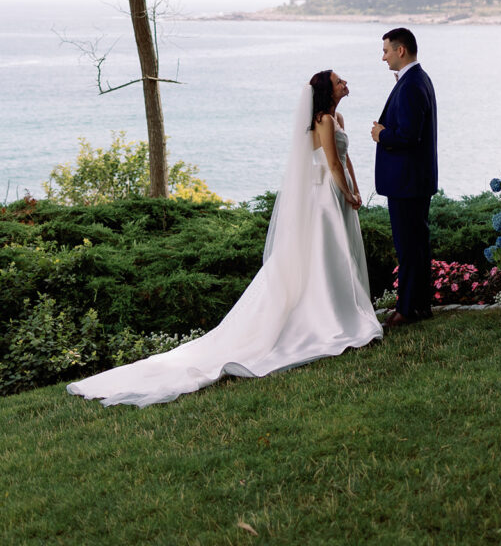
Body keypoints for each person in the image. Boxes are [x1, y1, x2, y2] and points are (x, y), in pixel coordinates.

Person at [67, 71, 382, 407]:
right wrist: (346, 192)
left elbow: (345, 159)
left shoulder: (338, 117)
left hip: (340, 192)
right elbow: (331, 163)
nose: (344, 82)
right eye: (338, 80)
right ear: (326, 91)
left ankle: (343, 308)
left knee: (339, 254)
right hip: (325, 197)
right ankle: (327, 317)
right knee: (324, 255)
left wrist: (356, 188)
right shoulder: (321, 120)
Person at [371, 28, 438, 328]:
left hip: (407, 181)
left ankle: (407, 309)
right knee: (417, 245)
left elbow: (410, 136)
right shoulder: (417, 79)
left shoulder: (411, 84)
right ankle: (420, 305)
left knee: (408, 248)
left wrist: (382, 134)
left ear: (401, 50)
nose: (382, 56)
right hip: (414, 179)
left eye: (386, 50)